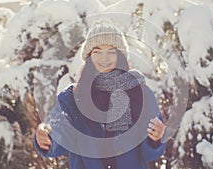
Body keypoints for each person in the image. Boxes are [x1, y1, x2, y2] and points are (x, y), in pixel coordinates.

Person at [34, 18, 166, 169]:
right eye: (97, 52)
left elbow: (151, 152)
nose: (104, 58)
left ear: (120, 55)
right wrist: (46, 137)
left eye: (111, 51)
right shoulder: (72, 97)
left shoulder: (140, 93)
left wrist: (156, 138)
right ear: (89, 57)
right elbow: (60, 131)